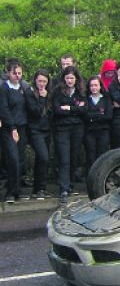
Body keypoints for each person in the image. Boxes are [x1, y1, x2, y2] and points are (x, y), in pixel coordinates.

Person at [52, 67, 86, 202]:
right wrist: (75, 110)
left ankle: (70, 183)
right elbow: (57, 110)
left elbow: (84, 110)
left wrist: (69, 108)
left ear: (76, 79)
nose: (70, 81)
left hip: (77, 128)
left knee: (74, 157)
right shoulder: (58, 92)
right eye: (67, 78)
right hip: (62, 128)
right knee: (64, 158)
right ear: (63, 79)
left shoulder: (81, 92)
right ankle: (64, 188)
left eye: (72, 78)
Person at [0, 62, 28, 202]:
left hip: (22, 127)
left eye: (19, 73)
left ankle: (17, 190)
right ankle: (10, 191)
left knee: (20, 159)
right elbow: (4, 109)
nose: (17, 76)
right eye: (14, 73)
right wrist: (12, 128)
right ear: (8, 73)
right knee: (12, 159)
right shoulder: (4, 89)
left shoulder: (23, 87)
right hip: (9, 128)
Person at [24, 70, 51, 199]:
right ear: (35, 80)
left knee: (43, 159)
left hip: (46, 129)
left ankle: (39, 188)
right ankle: (39, 187)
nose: (42, 84)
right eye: (40, 81)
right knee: (43, 156)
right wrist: (42, 97)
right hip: (35, 130)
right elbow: (35, 111)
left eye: (44, 81)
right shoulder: (30, 93)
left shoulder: (48, 92)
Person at [83, 76, 113, 172]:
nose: (93, 87)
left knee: (102, 155)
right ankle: (90, 178)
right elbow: (85, 115)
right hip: (90, 132)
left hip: (103, 131)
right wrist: (99, 114)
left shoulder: (106, 98)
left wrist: (92, 116)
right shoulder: (86, 99)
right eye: (91, 85)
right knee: (90, 155)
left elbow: (108, 116)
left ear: (100, 86)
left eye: (96, 85)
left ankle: (101, 177)